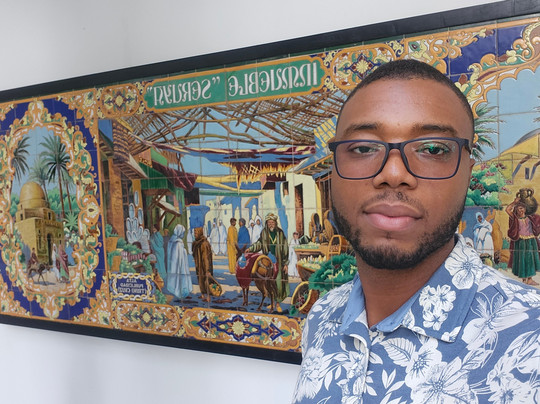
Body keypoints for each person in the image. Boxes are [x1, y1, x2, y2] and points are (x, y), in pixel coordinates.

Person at [293, 60, 540, 403]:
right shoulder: (323, 316)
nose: (393, 174)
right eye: (363, 147)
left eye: (433, 149)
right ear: (333, 168)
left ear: (468, 173)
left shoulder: (530, 336)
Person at [247, 213, 289, 312]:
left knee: (278, 283)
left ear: (275, 223)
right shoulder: (264, 232)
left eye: (272, 222)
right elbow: (259, 243)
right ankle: (272, 302)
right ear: (267, 223)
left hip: (278, 261)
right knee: (268, 282)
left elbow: (285, 248)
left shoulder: (280, 233)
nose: (271, 224)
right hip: (268, 260)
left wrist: (285, 263)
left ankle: (277, 303)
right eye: (269, 222)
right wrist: (251, 249)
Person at [506, 197, 540, 285]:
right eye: (518, 209)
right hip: (521, 241)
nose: (520, 210)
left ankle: (530, 279)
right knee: (522, 260)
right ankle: (524, 280)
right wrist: (514, 202)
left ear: (525, 209)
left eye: (522, 208)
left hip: (531, 240)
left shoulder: (530, 218)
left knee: (530, 260)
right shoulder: (515, 218)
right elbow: (507, 209)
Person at [167, 224, 193, 300]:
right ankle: (181, 292)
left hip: (173, 264)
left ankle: (175, 289)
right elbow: (180, 255)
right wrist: (184, 251)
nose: (183, 234)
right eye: (182, 232)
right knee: (180, 277)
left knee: (175, 277)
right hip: (180, 264)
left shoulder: (172, 240)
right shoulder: (178, 243)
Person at [192, 226, 217, 302]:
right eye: (194, 233)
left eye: (196, 233)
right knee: (200, 280)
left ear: (200, 233)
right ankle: (203, 294)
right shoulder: (196, 242)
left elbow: (206, 258)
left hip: (204, 266)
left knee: (206, 281)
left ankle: (208, 297)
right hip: (199, 265)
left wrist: (207, 269)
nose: (195, 235)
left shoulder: (204, 243)